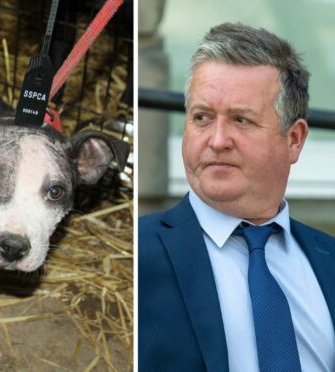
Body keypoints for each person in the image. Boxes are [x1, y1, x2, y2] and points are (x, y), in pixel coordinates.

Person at [139, 23, 335, 372]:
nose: (217, 140)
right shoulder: (138, 252)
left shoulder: (329, 260)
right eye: (202, 118)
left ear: (294, 139)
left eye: (240, 120)